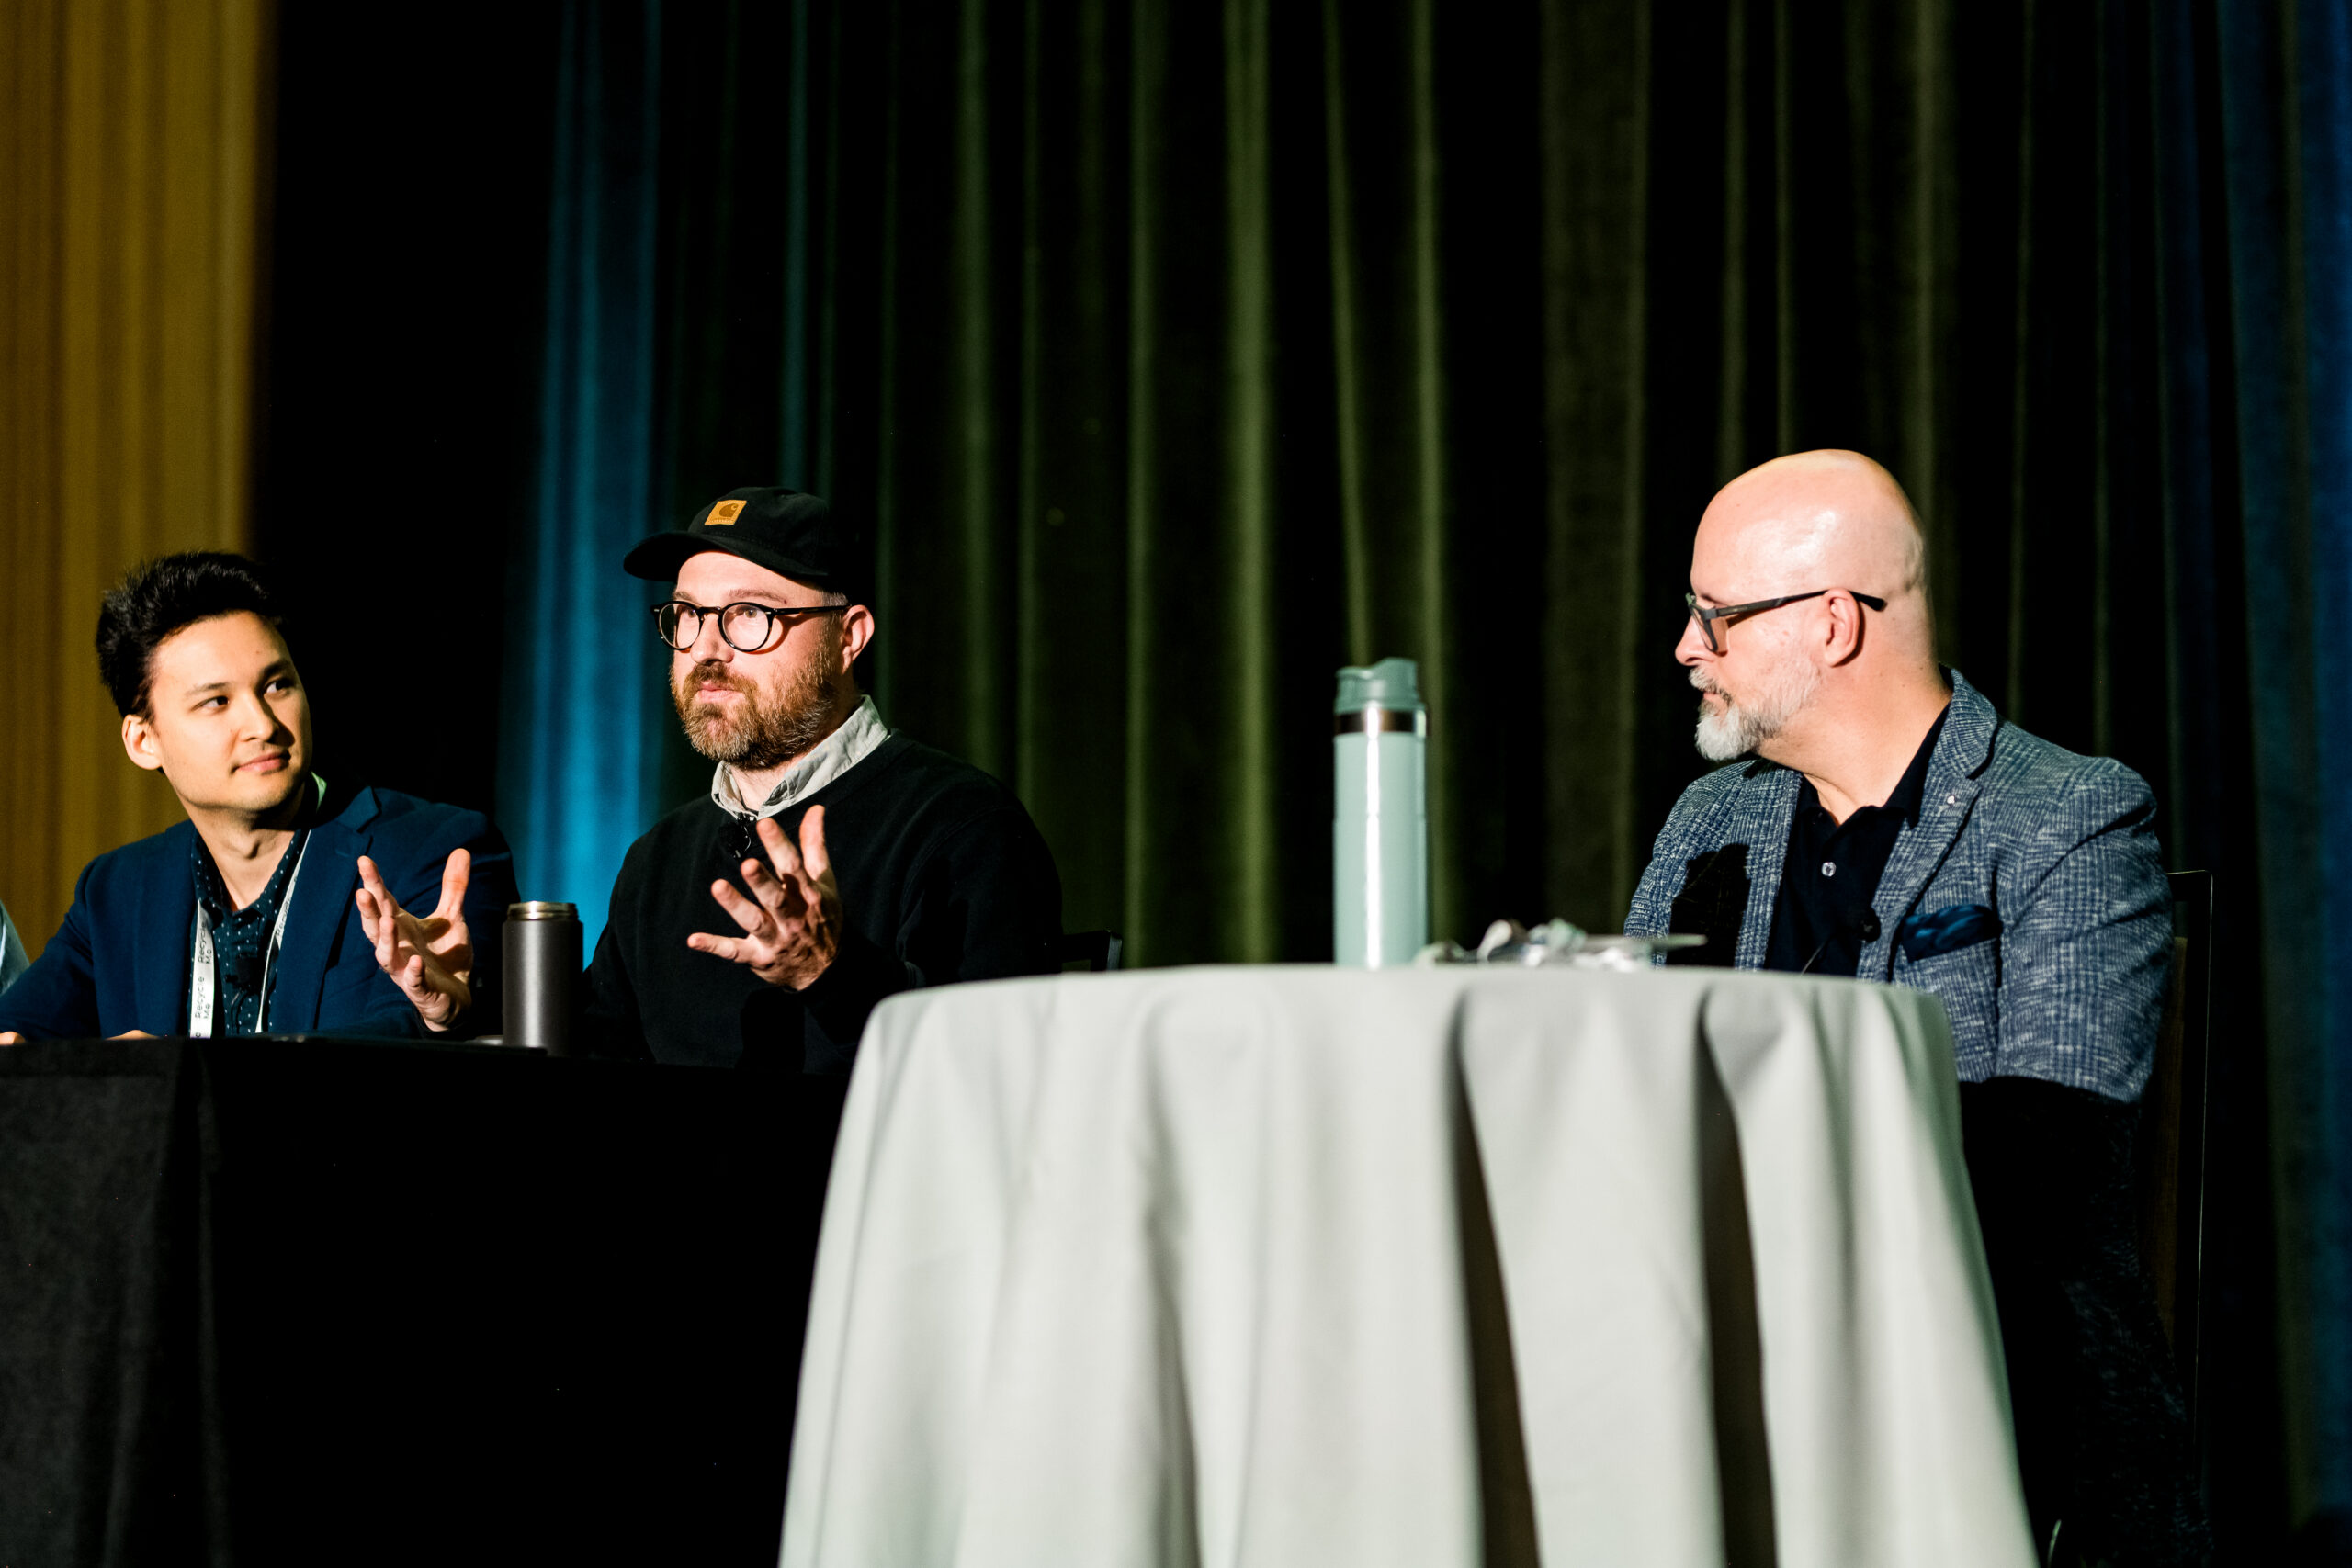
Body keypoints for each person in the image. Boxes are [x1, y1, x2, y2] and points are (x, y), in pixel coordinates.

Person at [1624, 451, 2205, 1565]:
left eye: (1716, 616)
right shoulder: (1709, 820)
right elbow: (1632, 1088)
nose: (1688, 648)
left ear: (1832, 623)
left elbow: (2049, 1163)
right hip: (1719, 1367)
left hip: (1981, 1389)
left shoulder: (2069, 816)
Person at [0, 552, 514, 1043]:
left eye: (276, 686)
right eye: (217, 701)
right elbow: (16, 1033)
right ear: (143, 740)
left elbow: (400, 1041)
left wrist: (439, 1017)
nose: (263, 725)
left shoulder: (435, 852)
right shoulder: (115, 892)